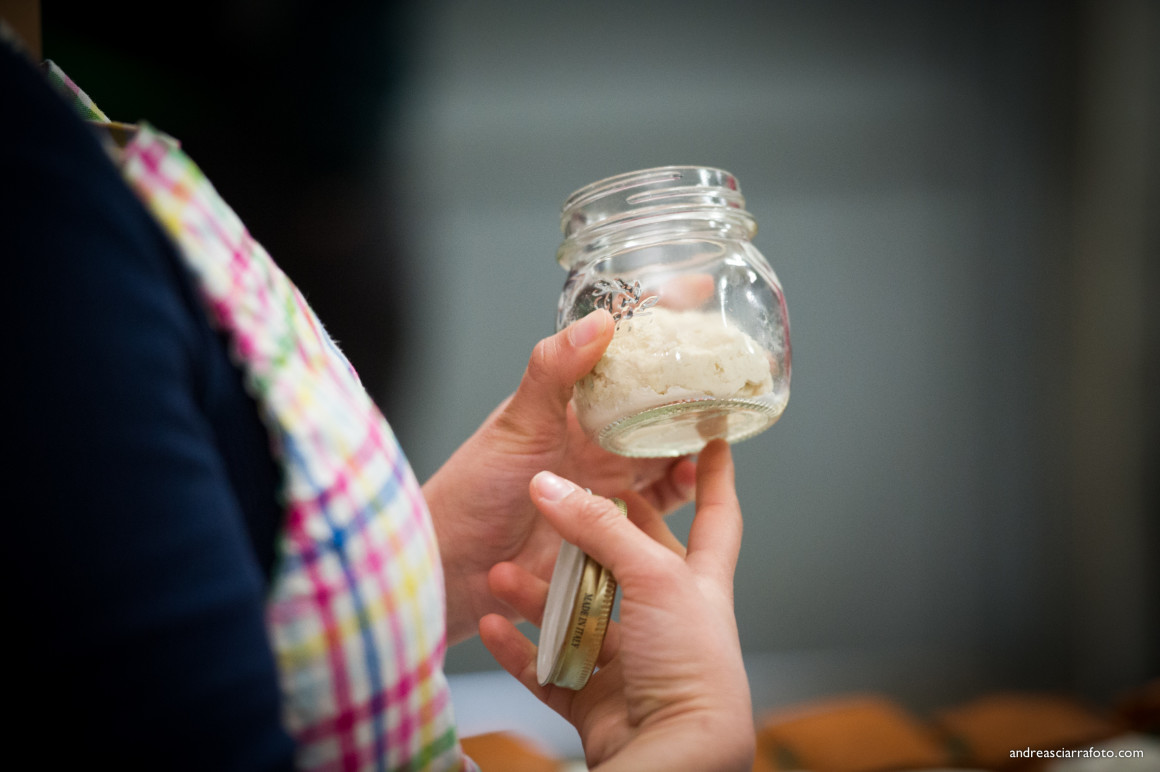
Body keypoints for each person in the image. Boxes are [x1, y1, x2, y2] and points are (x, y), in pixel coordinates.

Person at [2, 5, 755, 770]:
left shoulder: (43, 111)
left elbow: (191, 616)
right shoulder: (31, 207)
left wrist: (419, 563)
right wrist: (691, 737)